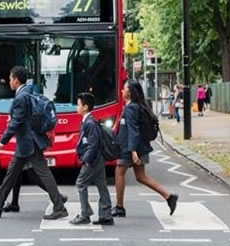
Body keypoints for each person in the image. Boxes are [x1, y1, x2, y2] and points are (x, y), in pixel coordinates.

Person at [0, 66, 68, 220]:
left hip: (29, 143)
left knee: (42, 173)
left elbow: (15, 123)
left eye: (10, 78)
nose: (9, 81)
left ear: (16, 80)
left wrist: (1, 143)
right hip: (28, 141)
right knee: (13, 173)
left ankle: (59, 206)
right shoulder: (29, 91)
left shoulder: (21, 97)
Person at [111, 80, 178, 218]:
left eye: (124, 89)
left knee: (119, 172)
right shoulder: (136, 106)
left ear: (130, 92)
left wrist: (133, 150)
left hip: (130, 148)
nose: (121, 91)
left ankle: (119, 207)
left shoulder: (131, 108)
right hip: (139, 146)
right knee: (141, 177)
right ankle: (169, 196)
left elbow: (133, 130)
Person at [70, 92, 113, 226]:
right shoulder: (88, 122)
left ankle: (85, 214)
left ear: (85, 107)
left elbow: (93, 145)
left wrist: (86, 160)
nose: (76, 107)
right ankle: (106, 215)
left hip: (93, 160)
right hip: (97, 158)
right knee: (101, 185)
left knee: (80, 183)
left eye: (78, 104)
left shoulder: (90, 123)